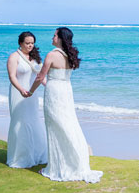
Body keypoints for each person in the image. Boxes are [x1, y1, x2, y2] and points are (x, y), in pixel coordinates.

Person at [29, 27, 102, 183]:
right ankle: (70, 161)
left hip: (54, 91)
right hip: (66, 91)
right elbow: (52, 78)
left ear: (61, 38)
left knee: (55, 126)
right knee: (68, 123)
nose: (52, 37)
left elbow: (40, 77)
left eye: (54, 35)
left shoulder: (52, 55)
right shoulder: (70, 55)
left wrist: (30, 92)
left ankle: (57, 167)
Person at [6, 31, 49, 168]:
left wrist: (49, 86)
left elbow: (40, 75)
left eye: (32, 43)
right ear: (20, 43)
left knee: (34, 120)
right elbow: (12, 76)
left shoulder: (34, 57)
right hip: (18, 92)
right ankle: (20, 156)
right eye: (27, 43)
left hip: (32, 93)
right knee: (21, 122)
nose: (30, 46)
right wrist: (20, 89)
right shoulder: (14, 57)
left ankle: (36, 154)